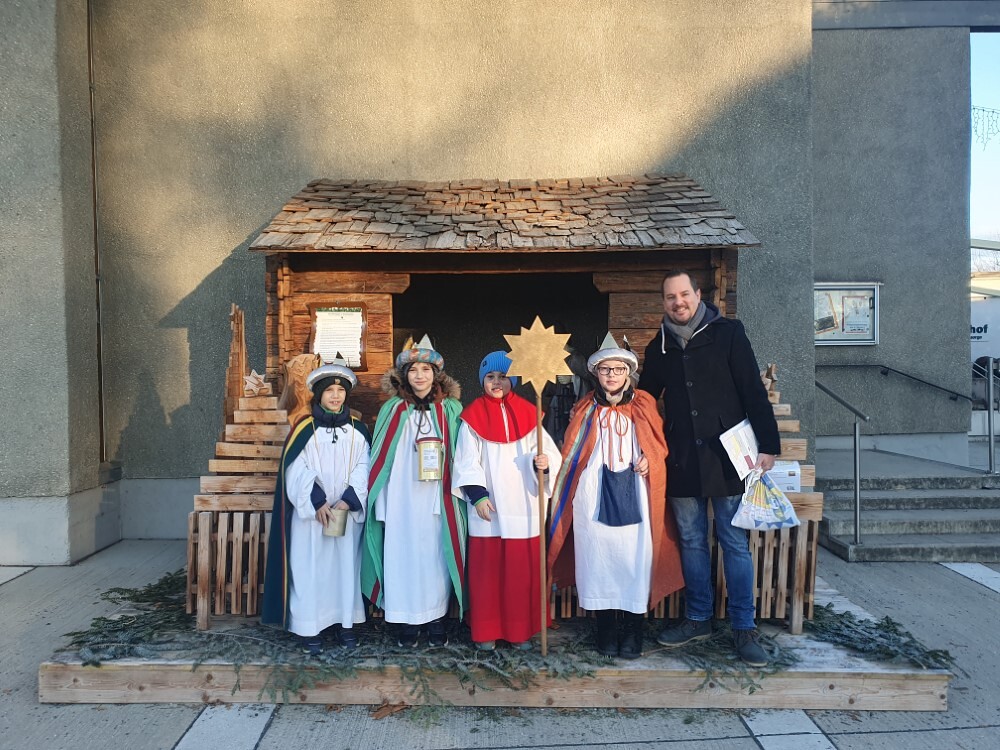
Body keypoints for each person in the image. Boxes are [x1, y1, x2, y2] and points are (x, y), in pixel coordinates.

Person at [637, 269, 781, 667]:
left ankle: (744, 627)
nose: (678, 302)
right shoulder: (659, 346)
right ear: (664, 302)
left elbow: (752, 389)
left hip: (727, 459)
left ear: (698, 295)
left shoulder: (729, 334)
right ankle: (698, 618)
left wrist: (769, 445)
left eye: (684, 294)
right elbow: (645, 400)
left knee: (733, 542)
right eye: (670, 297)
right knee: (691, 541)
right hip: (682, 459)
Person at [548, 334, 684, 659]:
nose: (612, 375)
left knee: (633, 559)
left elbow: (659, 445)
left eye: (618, 369)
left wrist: (651, 458)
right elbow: (572, 453)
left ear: (628, 373)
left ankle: (633, 631)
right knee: (598, 560)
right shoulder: (584, 408)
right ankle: (606, 630)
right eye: (606, 369)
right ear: (596, 373)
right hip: (593, 495)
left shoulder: (645, 404)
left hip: (636, 492)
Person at [452, 351, 562, 651]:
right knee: (487, 575)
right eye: (490, 377)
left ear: (513, 380)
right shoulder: (472, 417)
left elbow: (549, 454)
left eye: (503, 377)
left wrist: (544, 464)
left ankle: (519, 631)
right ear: (482, 381)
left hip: (522, 505)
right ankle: (487, 631)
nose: (497, 382)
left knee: (519, 575)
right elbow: (466, 461)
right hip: (489, 508)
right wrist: (477, 495)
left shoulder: (529, 414)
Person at [361, 335, 467, 648]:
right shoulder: (392, 409)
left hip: (436, 498)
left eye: (426, 369)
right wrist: (382, 502)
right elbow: (380, 459)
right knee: (401, 556)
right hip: (400, 499)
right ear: (404, 375)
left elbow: (463, 451)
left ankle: (435, 620)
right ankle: (406, 622)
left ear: (436, 375)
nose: (420, 375)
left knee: (435, 559)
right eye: (413, 370)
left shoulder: (450, 410)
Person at [261, 360, 371, 655]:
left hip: (344, 515)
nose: (335, 396)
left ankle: (345, 624)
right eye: (329, 390)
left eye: (340, 390)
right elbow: (295, 469)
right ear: (319, 394)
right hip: (312, 519)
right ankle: (310, 627)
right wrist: (318, 500)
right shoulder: (304, 429)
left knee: (345, 569)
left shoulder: (358, 431)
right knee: (310, 570)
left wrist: (348, 499)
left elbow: (365, 467)